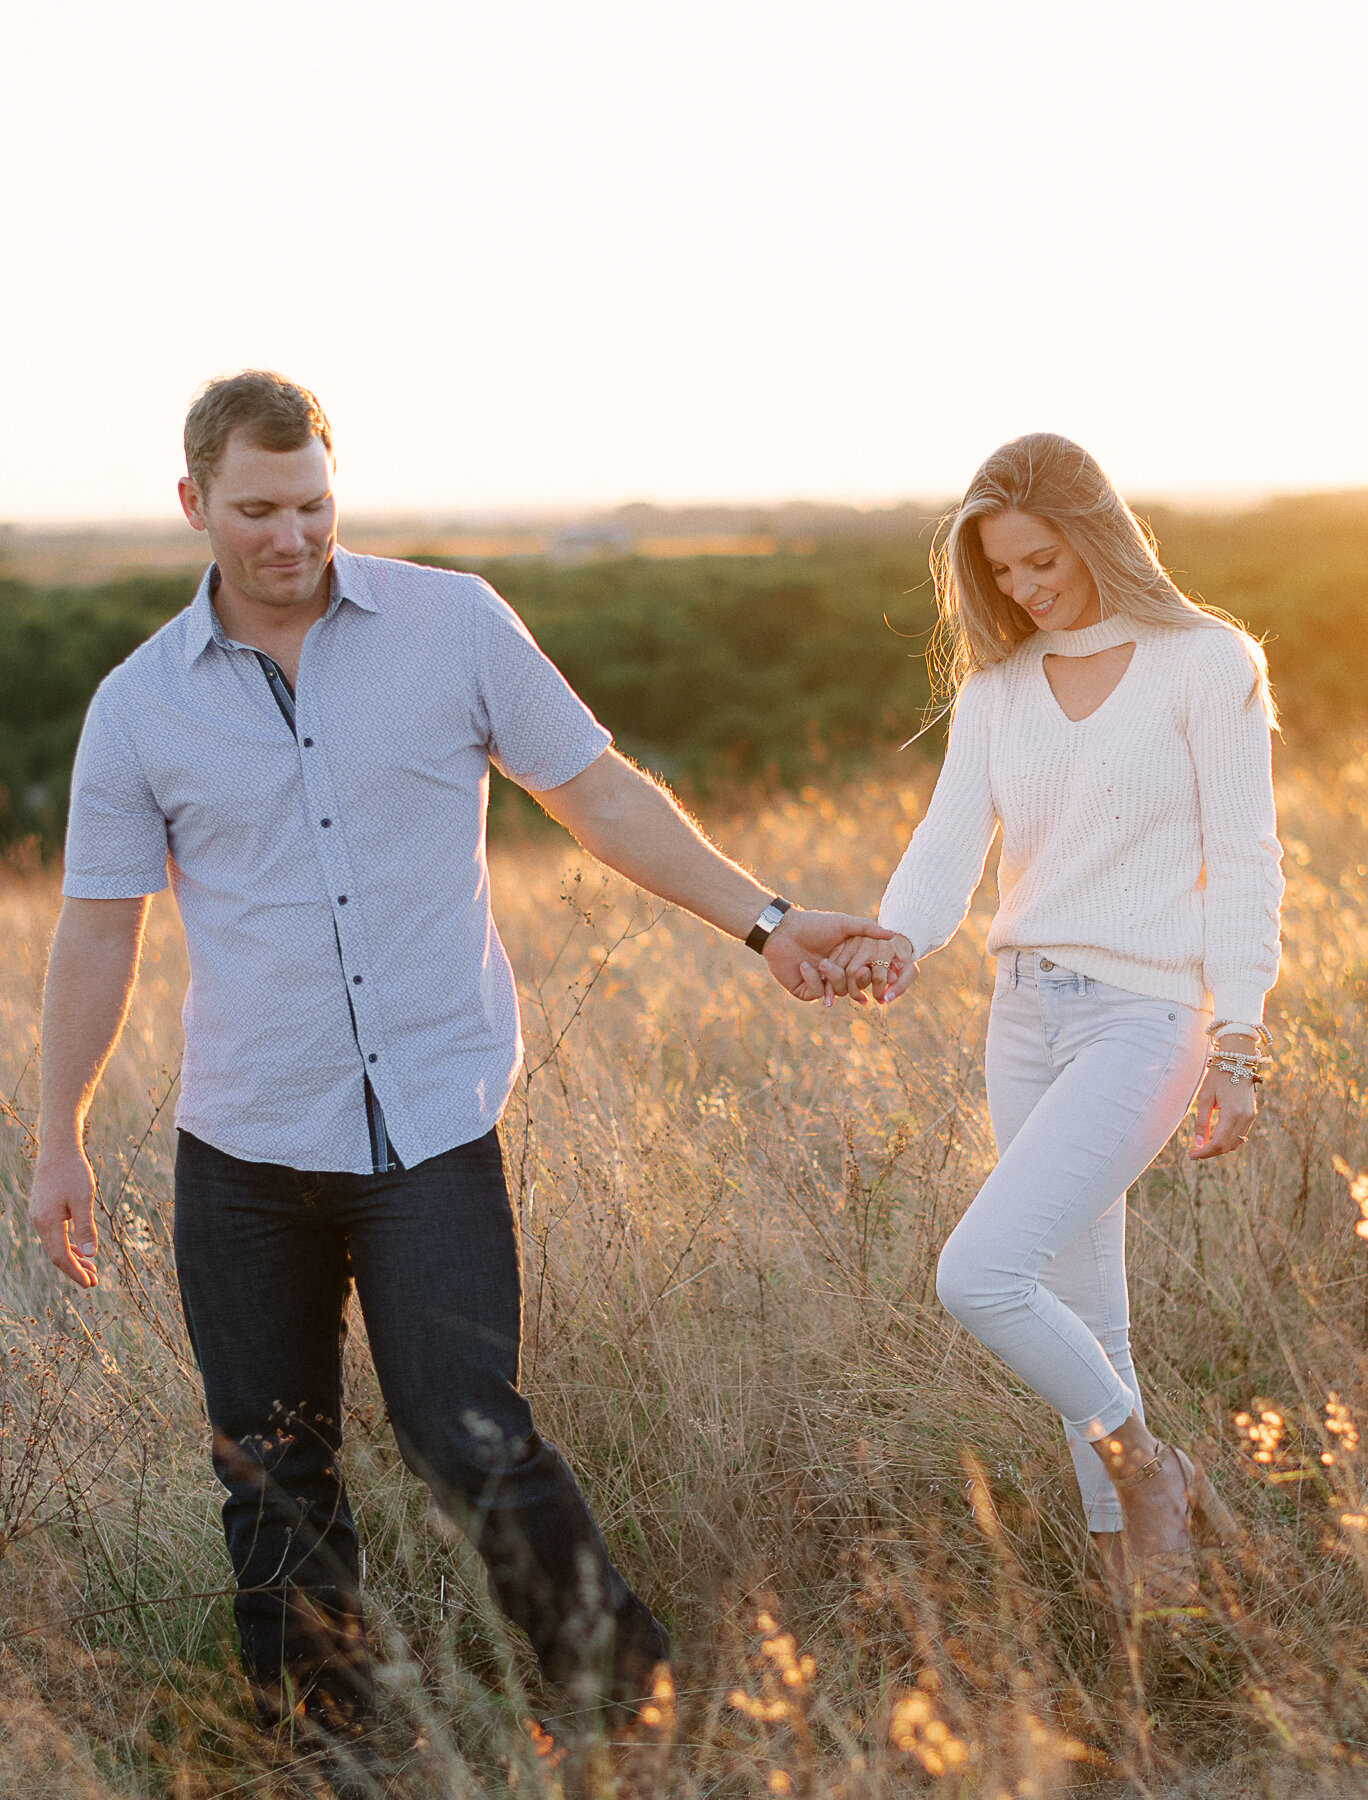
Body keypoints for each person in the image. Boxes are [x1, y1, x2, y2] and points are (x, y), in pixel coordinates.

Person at [27, 371, 894, 1756]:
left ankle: (635, 1709)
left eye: (312, 502)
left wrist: (769, 922)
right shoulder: (138, 709)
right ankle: (326, 1750)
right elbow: (95, 934)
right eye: (255, 509)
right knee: (269, 1471)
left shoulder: (456, 624)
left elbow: (597, 790)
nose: (289, 534)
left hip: (427, 1126)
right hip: (243, 1146)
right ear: (194, 504)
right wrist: (57, 1134)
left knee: (467, 1432)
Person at [816, 433, 1282, 1613]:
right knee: (1082, 1305)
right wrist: (899, 939)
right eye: (1001, 572)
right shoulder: (998, 692)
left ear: (1096, 530)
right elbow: (946, 842)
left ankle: (1150, 1474)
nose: (1023, 589)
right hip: (1023, 1012)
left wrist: (1242, 1039)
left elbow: (1246, 859)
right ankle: (1154, 1602)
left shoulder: (1205, 660)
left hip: (1147, 1015)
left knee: (981, 1274)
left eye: (1040, 560)